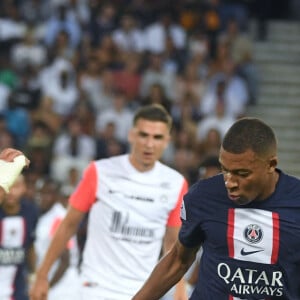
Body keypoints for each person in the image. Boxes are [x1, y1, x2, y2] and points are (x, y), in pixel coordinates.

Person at [29, 104, 189, 300]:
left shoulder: (175, 183)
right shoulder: (100, 171)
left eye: (157, 138)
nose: (149, 144)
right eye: (143, 135)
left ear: (167, 141)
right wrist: (42, 275)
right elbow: (69, 224)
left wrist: (179, 290)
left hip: (143, 292)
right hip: (96, 287)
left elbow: (173, 245)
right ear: (131, 135)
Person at [132, 117, 300, 299]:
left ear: (271, 165)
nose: (230, 182)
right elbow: (178, 260)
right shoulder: (203, 197)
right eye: (225, 169)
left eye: (242, 174)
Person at [0, 174, 39, 300]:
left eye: (15, 187)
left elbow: (30, 246)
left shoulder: (31, 212)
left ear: (24, 188)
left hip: (18, 287)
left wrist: (34, 274)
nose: (10, 192)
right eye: (7, 187)